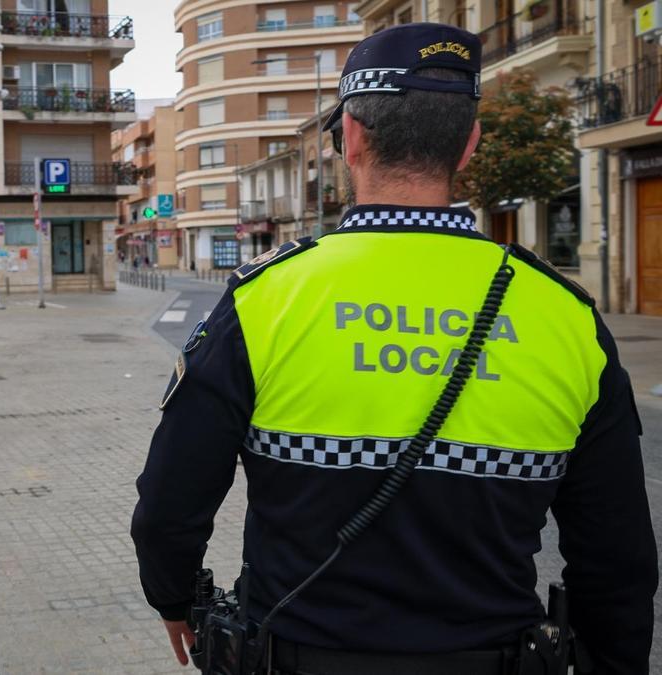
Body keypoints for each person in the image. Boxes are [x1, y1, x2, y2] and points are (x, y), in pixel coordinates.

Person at [131, 23, 656, 675]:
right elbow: (618, 554)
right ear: (469, 143)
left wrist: (174, 595)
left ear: (351, 136)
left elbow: (171, 501)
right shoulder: (565, 316)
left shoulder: (266, 297)